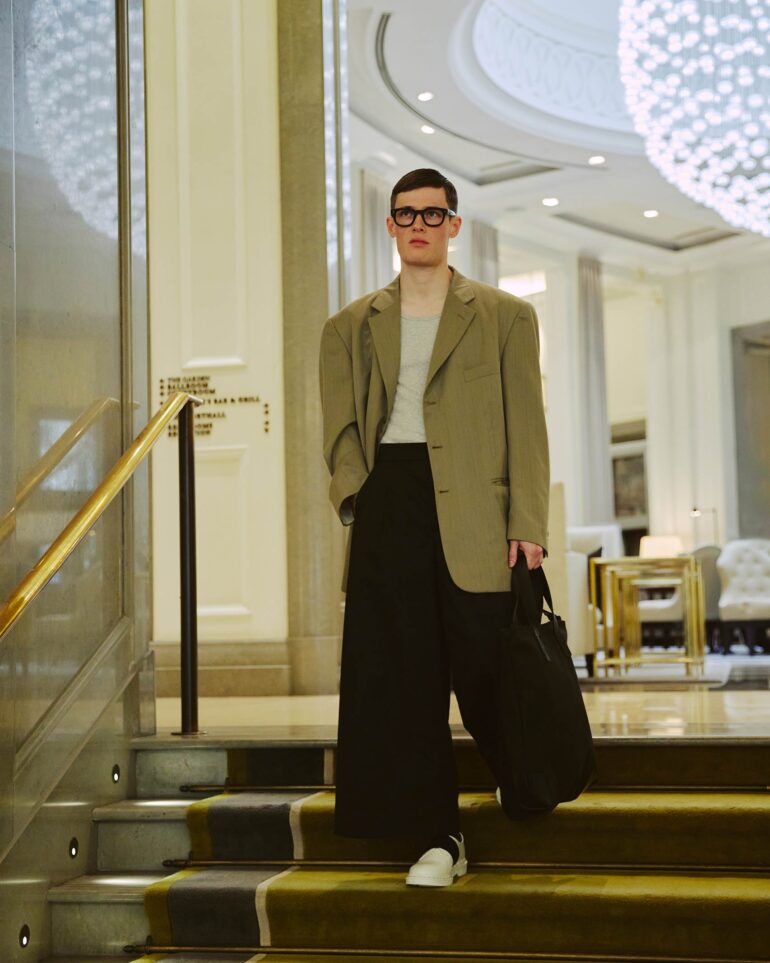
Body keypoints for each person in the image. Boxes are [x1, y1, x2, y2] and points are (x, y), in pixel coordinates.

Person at [318, 167, 550, 888]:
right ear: (390, 227)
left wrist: (528, 521)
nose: (418, 226)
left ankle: (523, 770)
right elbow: (341, 428)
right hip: (393, 501)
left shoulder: (507, 316)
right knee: (403, 675)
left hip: (479, 509)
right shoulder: (350, 326)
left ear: (454, 224)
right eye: (405, 215)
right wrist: (363, 494)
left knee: (486, 659)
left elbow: (527, 429)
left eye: (432, 214)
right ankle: (438, 836)